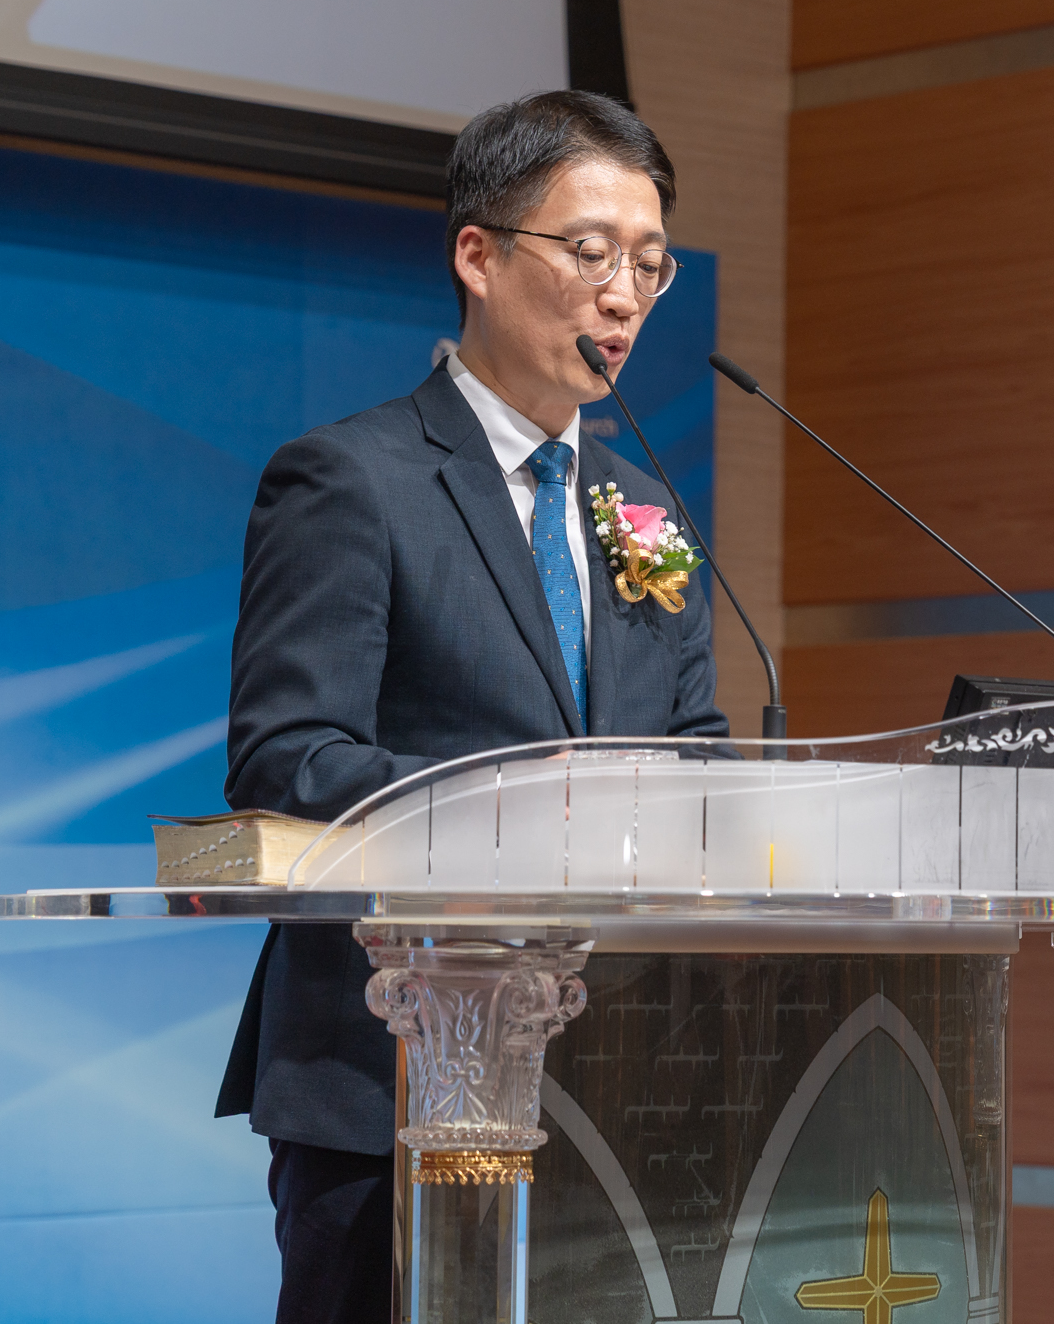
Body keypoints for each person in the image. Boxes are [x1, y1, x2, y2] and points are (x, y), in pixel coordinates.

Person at [214, 91, 729, 1324]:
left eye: (649, 265)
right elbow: (287, 757)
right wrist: (519, 808)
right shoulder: (352, 477)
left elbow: (691, 750)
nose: (622, 295)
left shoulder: (644, 509)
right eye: (590, 251)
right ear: (479, 255)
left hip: (617, 1080)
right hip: (393, 1072)